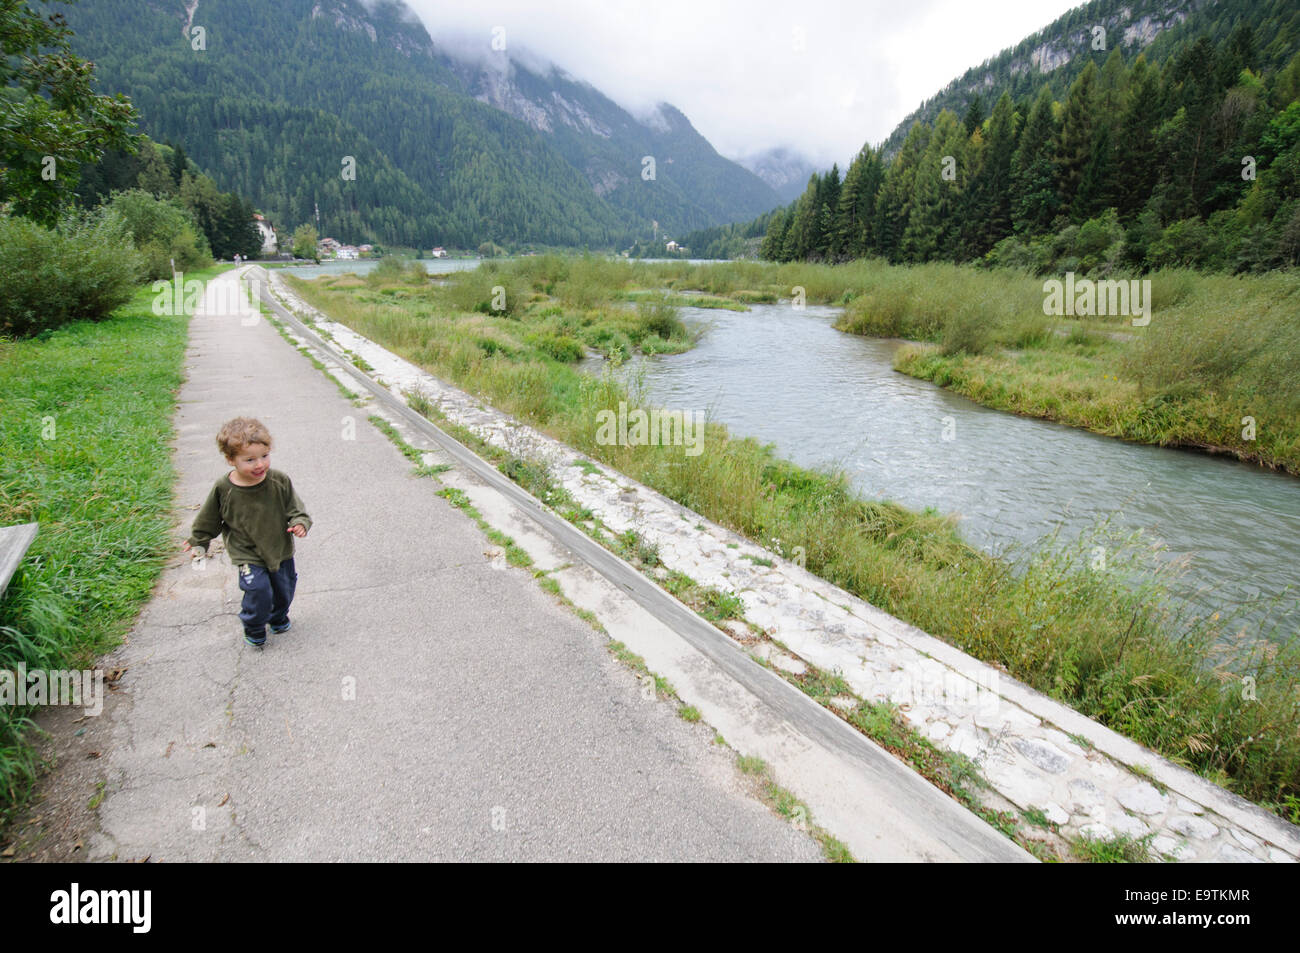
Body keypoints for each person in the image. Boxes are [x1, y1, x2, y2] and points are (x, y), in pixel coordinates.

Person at [183, 418, 312, 647]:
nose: (259, 464)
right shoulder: (224, 489)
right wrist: (199, 541)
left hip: (279, 548)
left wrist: (300, 522)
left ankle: (278, 617)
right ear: (231, 459)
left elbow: (295, 508)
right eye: (249, 460)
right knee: (258, 590)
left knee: (284, 589)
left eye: (264, 456)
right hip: (246, 552)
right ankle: (253, 627)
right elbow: (209, 518)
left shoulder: (279, 481)